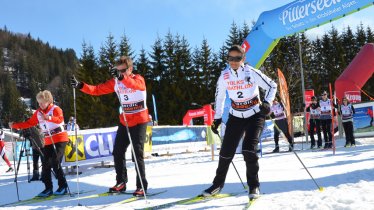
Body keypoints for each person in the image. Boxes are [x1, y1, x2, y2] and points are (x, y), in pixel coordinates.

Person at [203, 45, 277, 199]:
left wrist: (267, 103)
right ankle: (217, 185)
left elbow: (272, 85)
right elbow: (220, 98)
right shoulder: (224, 76)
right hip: (235, 116)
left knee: (249, 150)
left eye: (237, 58)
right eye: (230, 58)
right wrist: (217, 118)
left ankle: (253, 186)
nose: (234, 61)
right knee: (225, 152)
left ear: (243, 59)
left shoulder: (251, 72)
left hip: (255, 115)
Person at [71, 56, 149, 197]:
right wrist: (80, 86)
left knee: (137, 153)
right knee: (117, 152)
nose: (120, 73)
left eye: (123, 70)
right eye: (118, 71)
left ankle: (142, 185)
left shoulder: (138, 79)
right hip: (125, 121)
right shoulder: (116, 82)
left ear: (130, 69)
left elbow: (135, 86)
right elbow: (97, 90)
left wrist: (121, 77)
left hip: (139, 120)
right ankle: (121, 182)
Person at [10, 90, 69, 197]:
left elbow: (60, 119)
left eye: (42, 102)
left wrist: (49, 118)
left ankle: (63, 186)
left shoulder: (56, 109)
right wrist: (15, 125)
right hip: (48, 140)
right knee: (45, 164)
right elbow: (29, 123)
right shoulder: (38, 113)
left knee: (56, 162)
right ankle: (48, 188)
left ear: (48, 101)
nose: (40, 105)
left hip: (60, 138)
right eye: (38, 102)